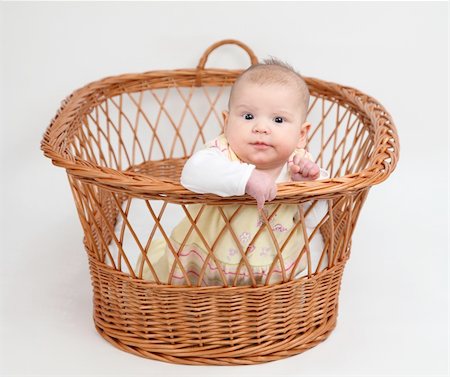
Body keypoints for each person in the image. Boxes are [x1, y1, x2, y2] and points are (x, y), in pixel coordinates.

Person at [135, 58, 329, 286]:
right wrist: (246, 178)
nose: (261, 128)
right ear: (226, 122)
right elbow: (192, 173)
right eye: (248, 116)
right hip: (203, 263)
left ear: (301, 134)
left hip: (270, 274)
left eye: (278, 119)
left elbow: (315, 221)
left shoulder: (299, 164)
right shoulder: (222, 152)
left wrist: (306, 187)